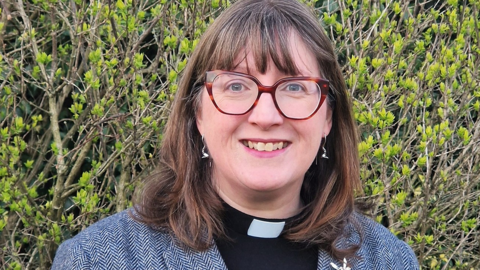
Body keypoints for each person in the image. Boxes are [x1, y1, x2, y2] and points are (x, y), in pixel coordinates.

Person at [52, 0, 419, 269]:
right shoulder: (97, 259)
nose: (265, 116)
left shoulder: (389, 261)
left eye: (293, 88)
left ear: (327, 117)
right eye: (237, 86)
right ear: (197, 112)